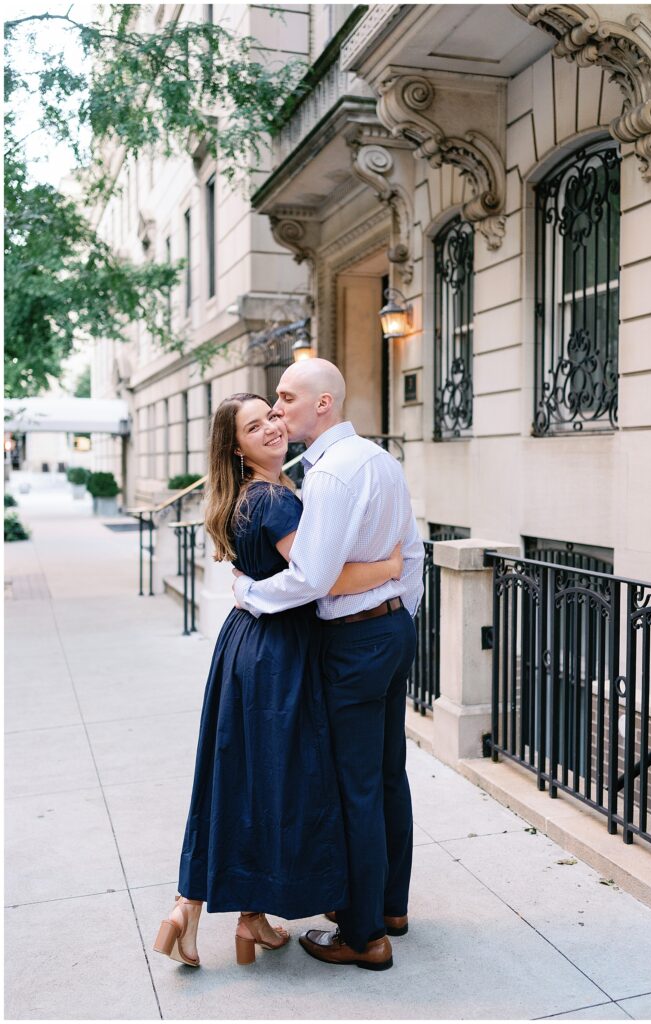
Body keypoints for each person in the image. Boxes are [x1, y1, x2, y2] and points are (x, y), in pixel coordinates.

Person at [153, 393, 404, 968]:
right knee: (277, 782)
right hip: (279, 653)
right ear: (237, 449)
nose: (270, 426)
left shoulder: (241, 497)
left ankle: (216, 912)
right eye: (253, 425)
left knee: (240, 777)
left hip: (243, 644)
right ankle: (245, 914)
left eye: (271, 414)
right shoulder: (275, 499)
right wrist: (392, 567)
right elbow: (320, 580)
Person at [233, 359, 425, 971]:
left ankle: (365, 935)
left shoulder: (333, 475)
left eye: (285, 398)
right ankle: (389, 903)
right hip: (392, 631)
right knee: (388, 773)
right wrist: (398, 610)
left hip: (357, 642)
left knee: (357, 787)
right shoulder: (379, 460)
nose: (276, 408)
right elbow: (411, 550)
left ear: (322, 404)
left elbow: (312, 577)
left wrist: (251, 594)